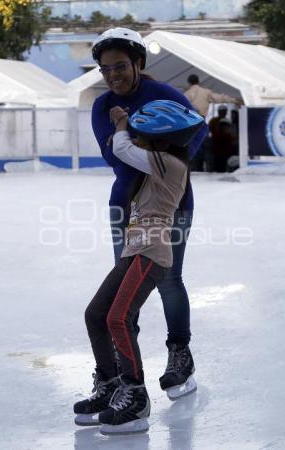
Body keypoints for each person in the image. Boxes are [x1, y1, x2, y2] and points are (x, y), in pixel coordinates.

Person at [88, 28, 208, 404]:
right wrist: (144, 143)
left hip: (171, 207)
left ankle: (179, 354)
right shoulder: (101, 106)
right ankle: (123, 373)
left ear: (138, 62)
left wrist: (170, 161)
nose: (113, 75)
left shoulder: (165, 95)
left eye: (120, 66)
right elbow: (112, 156)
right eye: (105, 70)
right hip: (125, 205)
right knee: (122, 294)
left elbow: (198, 130)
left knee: (170, 280)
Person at [74, 100, 205, 435]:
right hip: (135, 251)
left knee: (118, 318)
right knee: (96, 314)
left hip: (152, 252)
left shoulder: (169, 164)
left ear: (160, 137)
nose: (137, 138)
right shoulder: (157, 164)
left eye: (144, 135)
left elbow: (122, 148)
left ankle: (135, 396)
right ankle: (110, 384)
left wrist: (120, 123)